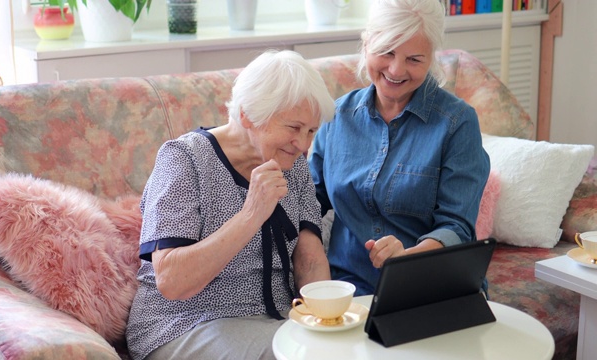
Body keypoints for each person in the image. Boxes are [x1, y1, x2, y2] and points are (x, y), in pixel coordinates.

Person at [126, 50, 335, 360]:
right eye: (294, 128)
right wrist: (252, 213)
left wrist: (328, 322)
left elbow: (310, 260)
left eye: (311, 131)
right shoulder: (184, 159)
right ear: (249, 114)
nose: (304, 146)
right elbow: (172, 281)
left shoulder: (294, 165)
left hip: (275, 320)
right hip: (183, 324)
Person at [308, 0, 490, 296]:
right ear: (367, 44)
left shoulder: (457, 122)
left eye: (414, 59)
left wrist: (408, 259)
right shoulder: (336, 117)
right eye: (386, 52)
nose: (396, 69)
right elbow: (308, 202)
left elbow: (457, 227)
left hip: (429, 286)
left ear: (431, 58)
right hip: (347, 289)